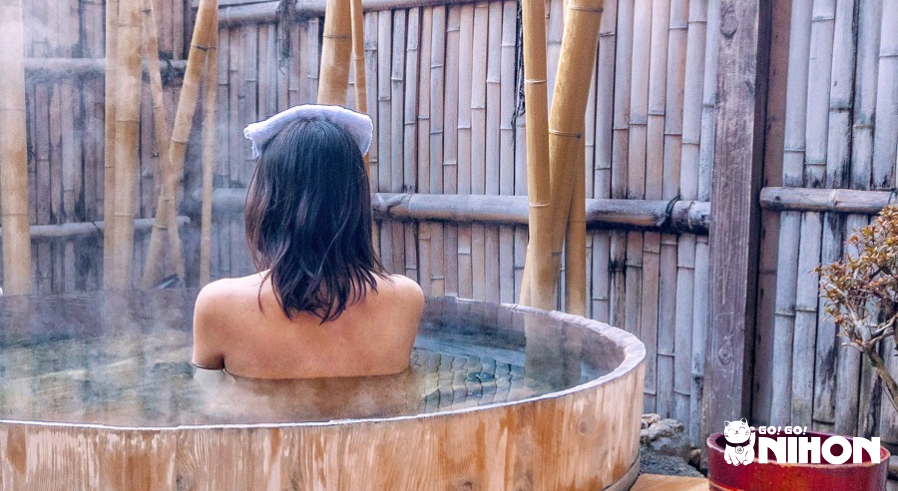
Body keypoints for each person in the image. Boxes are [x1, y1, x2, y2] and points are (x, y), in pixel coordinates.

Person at [192, 105, 424, 379]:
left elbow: (206, 407)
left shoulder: (219, 306)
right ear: (354, 203)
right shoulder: (405, 300)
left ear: (266, 202)